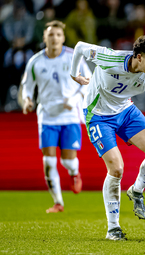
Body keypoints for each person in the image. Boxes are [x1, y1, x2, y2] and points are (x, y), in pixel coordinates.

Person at [70, 35, 145, 241]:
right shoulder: (110, 58)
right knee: (116, 168)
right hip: (98, 115)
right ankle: (113, 229)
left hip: (125, 111)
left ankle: (136, 191)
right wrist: (75, 75)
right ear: (138, 57)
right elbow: (80, 47)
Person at [22, 20, 92, 213]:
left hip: (69, 116)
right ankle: (58, 203)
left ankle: (74, 173)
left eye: (58, 35)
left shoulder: (73, 57)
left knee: (68, 161)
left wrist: (76, 97)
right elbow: (27, 87)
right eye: (51, 34)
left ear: (63, 38)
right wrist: (27, 100)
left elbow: (88, 82)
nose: (54, 38)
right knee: (49, 161)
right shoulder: (35, 61)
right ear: (45, 37)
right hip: (47, 117)